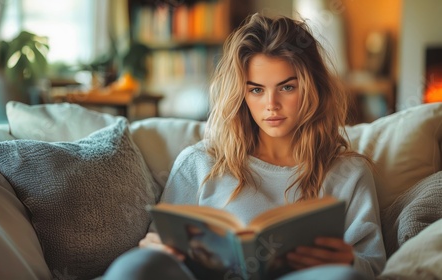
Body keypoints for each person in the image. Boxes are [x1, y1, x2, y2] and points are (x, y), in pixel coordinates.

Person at [103, 13, 386, 280]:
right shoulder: (199, 162)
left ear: (313, 88)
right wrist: (154, 248)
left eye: (287, 87)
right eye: (256, 90)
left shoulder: (349, 172)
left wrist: (347, 259)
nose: (271, 105)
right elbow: (161, 247)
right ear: (241, 93)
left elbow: (373, 265)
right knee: (136, 265)